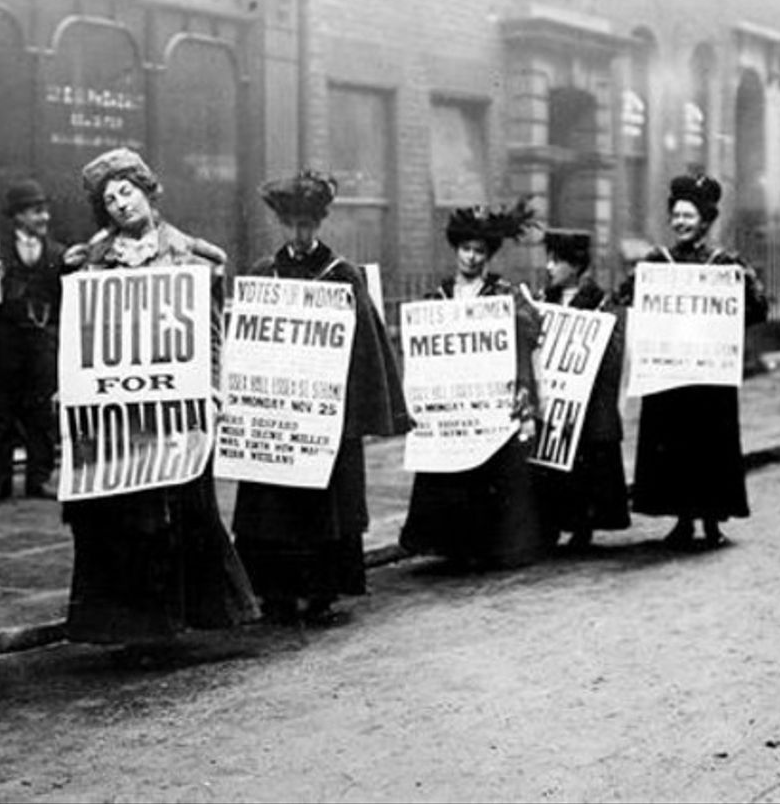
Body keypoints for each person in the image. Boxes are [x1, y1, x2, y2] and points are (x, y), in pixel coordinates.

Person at [59, 147, 258, 662]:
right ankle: (132, 626)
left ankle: (179, 620)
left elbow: (212, 334)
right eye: (109, 200)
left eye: (127, 191)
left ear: (148, 191)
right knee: (121, 516)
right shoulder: (92, 261)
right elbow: (79, 335)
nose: (120, 204)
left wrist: (214, 385)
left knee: (180, 512)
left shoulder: (193, 258)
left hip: (177, 409)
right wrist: (71, 382)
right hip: (116, 416)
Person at [231, 170, 409, 625]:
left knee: (321, 508)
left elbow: (366, 351)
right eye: (292, 225)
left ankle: (320, 591)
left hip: (324, 417)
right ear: (282, 225)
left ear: (320, 224)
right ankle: (275, 592)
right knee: (274, 506)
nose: (300, 235)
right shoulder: (263, 274)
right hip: (277, 413)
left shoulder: (342, 276)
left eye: (308, 225)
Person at [617, 173, 768, 550]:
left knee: (710, 443)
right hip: (669, 371)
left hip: (709, 374)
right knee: (674, 442)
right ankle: (683, 519)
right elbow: (626, 296)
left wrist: (730, 308)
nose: (681, 222)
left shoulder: (726, 264)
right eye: (677, 215)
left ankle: (712, 520)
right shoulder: (656, 262)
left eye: (689, 216)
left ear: (705, 220)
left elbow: (757, 308)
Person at [400, 200, 546, 571]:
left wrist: (513, 316)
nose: (471, 257)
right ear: (456, 250)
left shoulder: (502, 294)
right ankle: (451, 545)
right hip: (453, 401)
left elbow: (528, 336)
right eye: (466, 249)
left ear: (489, 255)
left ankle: (489, 546)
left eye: (479, 251)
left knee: (489, 470)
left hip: (489, 401)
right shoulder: (440, 296)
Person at [531, 229, 630, 551]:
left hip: (586, 403)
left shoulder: (599, 302)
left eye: (556, 261)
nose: (549, 267)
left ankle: (581, 526)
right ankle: (550, 524)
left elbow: (612, 350)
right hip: (553, 397)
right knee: (549, 463)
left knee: (584, 465)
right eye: (549, 260)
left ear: (575, 266)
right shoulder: (545, 299)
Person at [0, 179, 66, 501]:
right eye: (36, 211)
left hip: (41, 345)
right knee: (2, 413)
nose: (44, 217)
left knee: (41, 414)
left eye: (45, 210)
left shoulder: (57, 254)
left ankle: (39, 478)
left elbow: (63, 303)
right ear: (17, 216)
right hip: (5, 345)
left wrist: (53, 336)